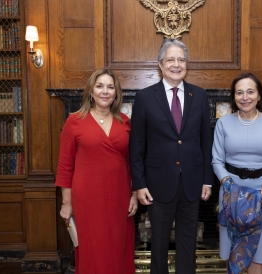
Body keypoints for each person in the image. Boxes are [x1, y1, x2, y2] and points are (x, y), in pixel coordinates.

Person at [129, 39, 213, 274]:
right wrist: (139, 185)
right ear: (160, 64)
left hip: (192, 182)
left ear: (186, 64)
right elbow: (136, 146)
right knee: (158, 245)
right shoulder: (145, 97)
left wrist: (207, 179)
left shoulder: (200, 95)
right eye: (171, 60)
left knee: (188, 244)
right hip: (157, 183)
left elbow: (206, 142)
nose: (176, 64)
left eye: (181, 60)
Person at [55, 68, 137, 274]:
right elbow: (65, 165)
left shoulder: (125, 122)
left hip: (119, 196)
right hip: (87, 199)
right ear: (91, 91)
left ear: (116, 93)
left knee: (119, 246)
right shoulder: (74, 121)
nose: (105, 91)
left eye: (110, 87)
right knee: (94, 248)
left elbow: (131, 163)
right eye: (100, 86)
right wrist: (67, 203)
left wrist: (134, 194)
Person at [212, 72, 262, 274]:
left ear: (259, 95)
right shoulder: (223, 123)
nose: (245, 97)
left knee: (258, 254)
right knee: (233, 252)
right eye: (239, 92)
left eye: (250, 92)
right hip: (230, 194)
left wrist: (260, 197)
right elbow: (217, 160)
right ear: (233, 97)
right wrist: (230, 188)